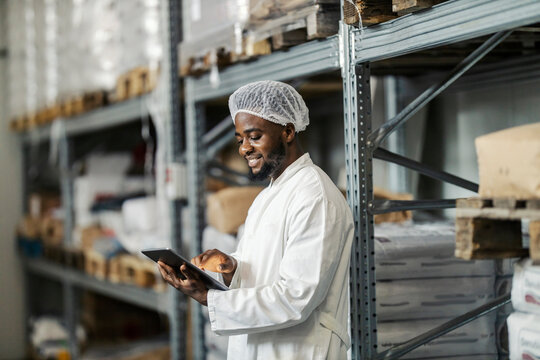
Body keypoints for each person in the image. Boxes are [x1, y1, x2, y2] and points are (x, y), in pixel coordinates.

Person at [158, 80, 354, 360]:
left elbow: (296, 297)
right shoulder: (269, 196)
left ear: (287, 131)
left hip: (300, 351)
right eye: (240, 140)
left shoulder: (315, 196)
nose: (244, 149)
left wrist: (210, 298)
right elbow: (268, 270)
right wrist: (232, 268)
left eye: (254, 136)